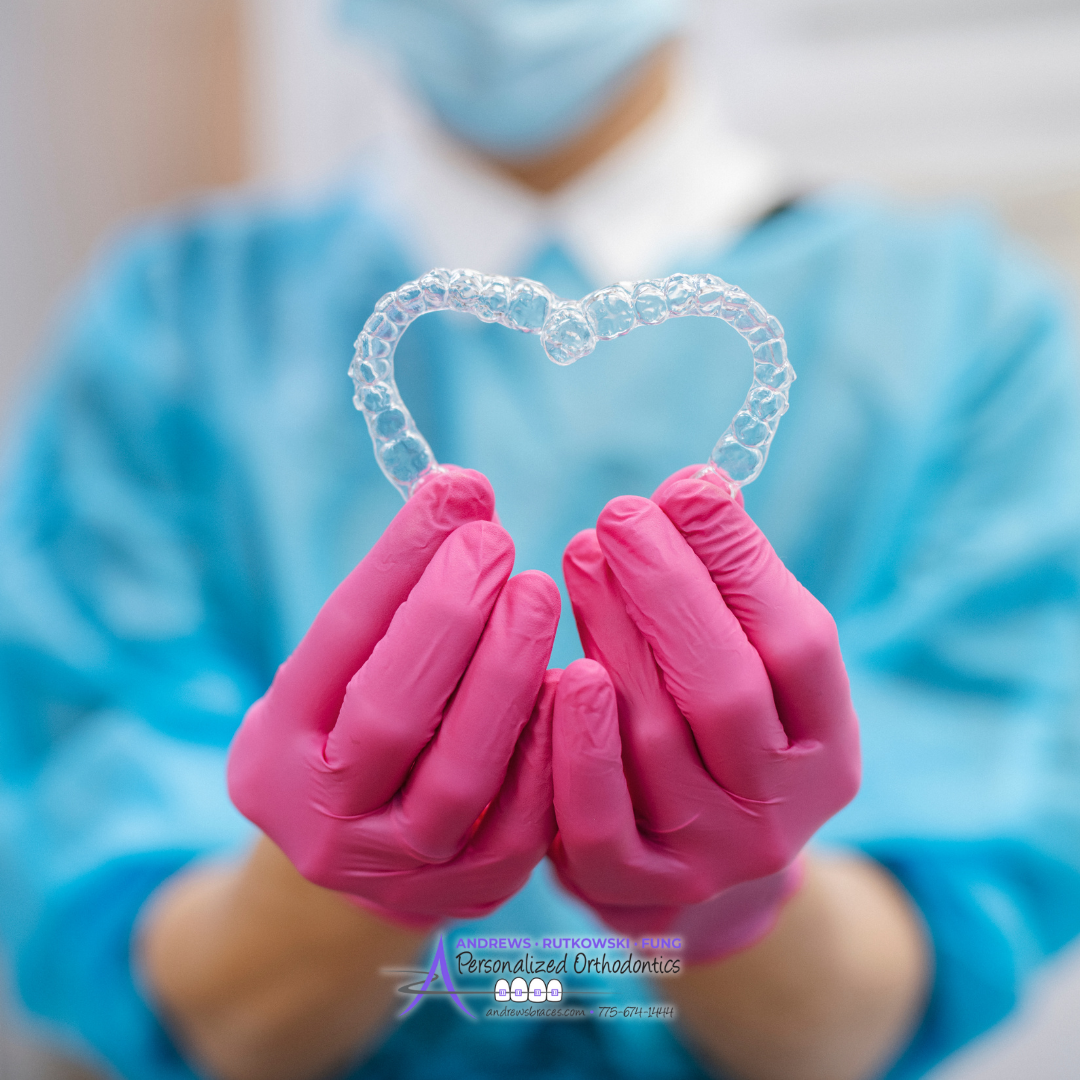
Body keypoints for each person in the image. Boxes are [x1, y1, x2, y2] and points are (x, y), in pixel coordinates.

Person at [1, 2, 1079, 1080]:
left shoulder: (968, 332)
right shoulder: (173, 329)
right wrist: (337, 885)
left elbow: (875, 1007)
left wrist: (733, 904)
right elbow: (171, 978)